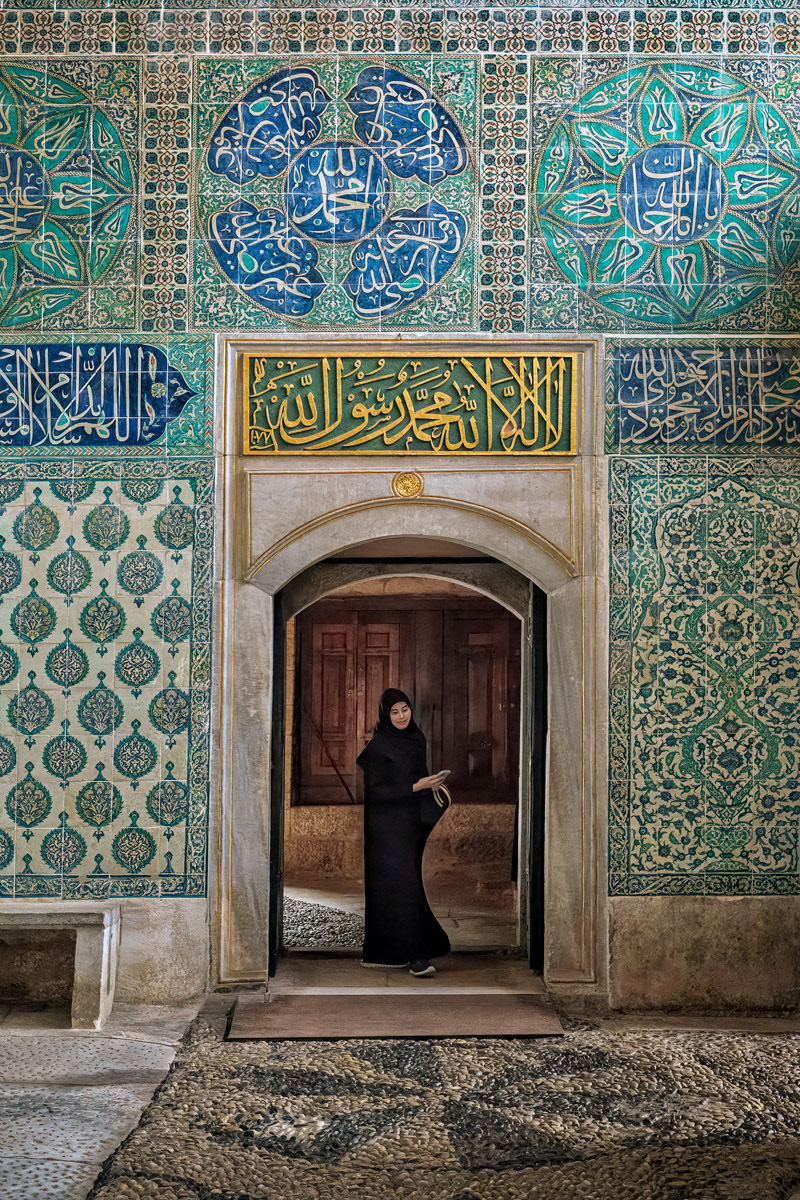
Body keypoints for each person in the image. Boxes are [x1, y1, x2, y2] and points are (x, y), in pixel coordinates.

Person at [356, 687, 451, 977]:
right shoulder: (379, 746)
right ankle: (415, 957)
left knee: (406, 888)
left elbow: (417, 778)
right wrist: (415, 787)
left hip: (409, 826)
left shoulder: (416, 738)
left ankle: (410, 951)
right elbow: (376, 792)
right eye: (394, 711)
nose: (400, 716)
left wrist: (431, 785)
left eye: (404, 709)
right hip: (384, 831)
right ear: (386, 715)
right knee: (399, 889)